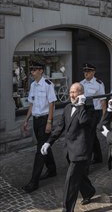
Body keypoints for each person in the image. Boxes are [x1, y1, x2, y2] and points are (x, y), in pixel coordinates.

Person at [40, 83, 96, 211]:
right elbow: (60, 127)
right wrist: (49, 142)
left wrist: (81, 105)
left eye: (74, 92)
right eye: (70, 92)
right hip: (69, 150)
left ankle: (66, 209)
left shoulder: (89, 109)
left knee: (70, 180)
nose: (71, 95)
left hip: (80, 151)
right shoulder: (67, 108)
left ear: (81, 93)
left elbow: (83, 121)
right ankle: (89, 192)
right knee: (79, 176)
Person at [21, 61, 57, 193]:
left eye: (35, 69)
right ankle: (52, 169)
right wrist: (26, 120)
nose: (32, 72)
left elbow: (52, 103)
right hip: (36, 120)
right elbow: (31, 104)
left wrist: (49, 122)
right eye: (31, 69)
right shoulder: (33, 85)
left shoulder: (48, 84)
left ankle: (33, 182)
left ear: (41, 70)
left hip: (44, 119)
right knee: (44, 144)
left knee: (40, 150)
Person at [80, 63, 106, 164]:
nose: (86, 73)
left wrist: (104, 117)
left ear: (93, 72)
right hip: (85, 111)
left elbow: (103, 101)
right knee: (91, 135)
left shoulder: (98, 84)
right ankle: (98, 157)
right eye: (85, 71)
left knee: (89, 135)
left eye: (88, 71)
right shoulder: (81, 84)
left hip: (95, 112)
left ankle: (87, 159)